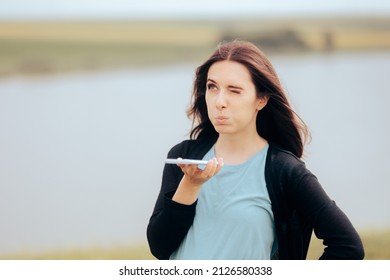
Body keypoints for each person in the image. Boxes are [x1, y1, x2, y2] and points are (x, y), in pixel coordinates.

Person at [146, 40, 364, 260]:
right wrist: (190, 185)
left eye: (234, 90)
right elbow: (160, 248)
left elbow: (348, 247)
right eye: (212, 87)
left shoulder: (285, 171)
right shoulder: (185, 158)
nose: (220, 101)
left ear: (261, 99)